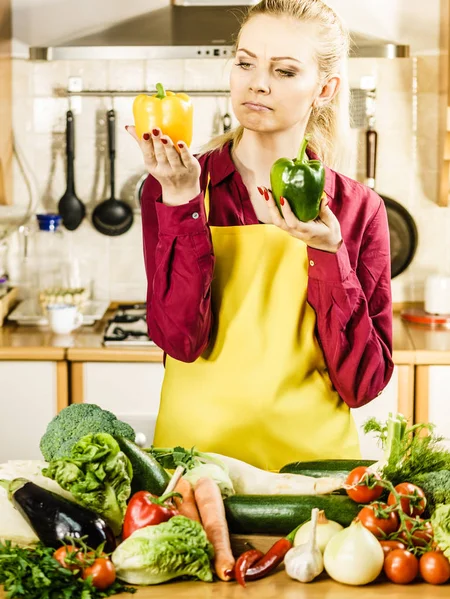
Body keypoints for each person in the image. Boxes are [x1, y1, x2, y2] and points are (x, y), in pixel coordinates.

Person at [127, 0, 394, 471]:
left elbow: (364, 383)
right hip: (194, 464)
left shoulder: (356, 209)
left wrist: (327, 252)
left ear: (325, 89)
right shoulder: (176, 186)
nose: (258, 83)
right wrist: (182, 205)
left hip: (314, 473)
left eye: (285, 71)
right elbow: (179, 340)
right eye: (245, 62)